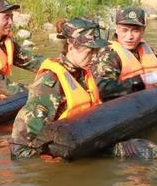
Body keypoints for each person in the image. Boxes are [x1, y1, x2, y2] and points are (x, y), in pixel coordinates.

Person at [9, 18, 107, 158]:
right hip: (63, 153)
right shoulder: (51, 82)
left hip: (84, 142)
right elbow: (19, 144)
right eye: (90, 51)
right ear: (71, 46)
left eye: (97, 51)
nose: (95, 57)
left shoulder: (82, 74)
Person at [93, 6, 157, 101]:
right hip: (125, 107)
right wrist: (141, 80)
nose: (130, 36)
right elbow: (105, 90)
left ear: (143, 31)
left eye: (135, 30)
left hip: (151, 100)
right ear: (116, 29)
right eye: (124, 30)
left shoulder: (145, 49)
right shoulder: (109, 54)